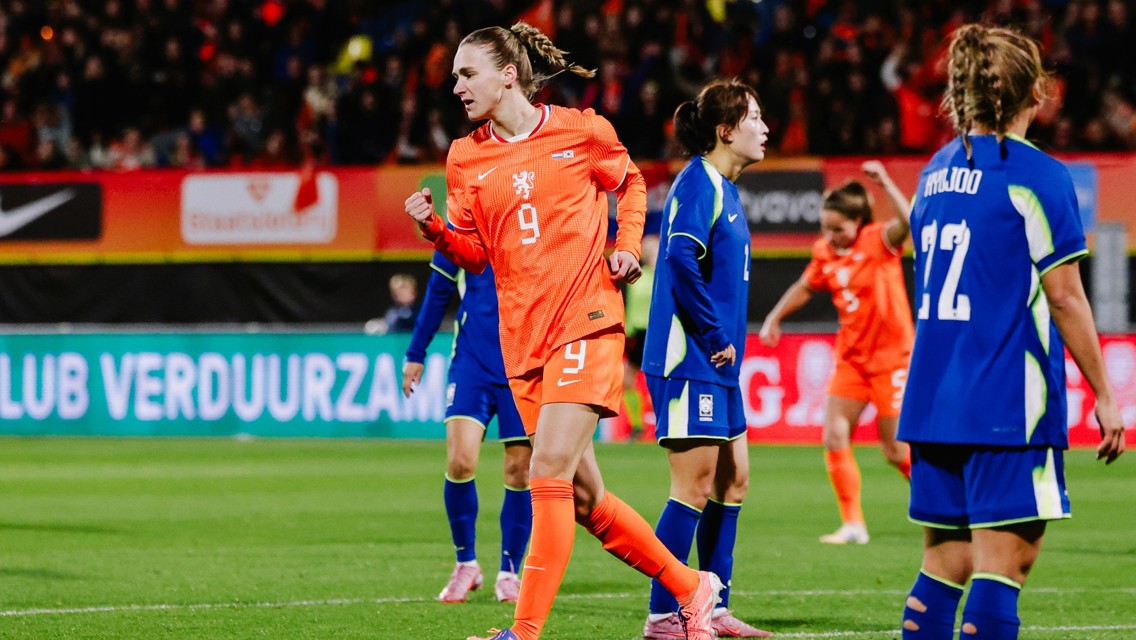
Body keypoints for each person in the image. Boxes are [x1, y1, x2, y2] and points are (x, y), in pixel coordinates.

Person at [403, 21, 722, 640]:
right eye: (454, 77)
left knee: (545, 470)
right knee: (583, 502)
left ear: (507, 74)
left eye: (467, 74)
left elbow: (629, 184)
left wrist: (628, 244)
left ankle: (522, 632)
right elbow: (475, 253)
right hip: (522, 340)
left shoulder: (581, 130)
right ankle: (692, 586)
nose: (457, 87)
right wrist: (436, 230)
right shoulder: (465, 156)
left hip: (586, 319)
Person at [897, 24, 1125, 640]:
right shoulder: (1038, 174)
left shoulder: (935, 171)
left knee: (945, 562)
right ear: (1037, 92)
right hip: (1004, 400)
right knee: (1006, 565)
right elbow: (1066, 296)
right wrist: (1105, 394)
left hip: (932, 400)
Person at [640, 79, 774, 639]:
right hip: (689, 358)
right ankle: (664, 613)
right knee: (691, 487)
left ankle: (712, 605)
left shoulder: (726, 187)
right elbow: (677, 258)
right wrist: (715, 334)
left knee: (733, 480)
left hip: (717, 364)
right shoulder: (698, 184)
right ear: (726, 130)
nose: (765, 128)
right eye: (755, 118)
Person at [759, 160, 915, 545]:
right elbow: (806, 286)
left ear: (857, 222)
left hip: (892, 358)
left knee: (895, 450)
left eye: (839, 229)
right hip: (852, 359)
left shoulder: (879, 240)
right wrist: (774, 317)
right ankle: (853, 525)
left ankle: (944, 501)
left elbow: (910, 222)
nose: (831, 236)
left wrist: (887, 185)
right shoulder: (824, 252)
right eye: (825, 228)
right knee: (834, 434)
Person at [401, 250, 532, 605]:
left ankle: (509, 572)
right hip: (472, 364)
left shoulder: (527, 219)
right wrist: (416, 353)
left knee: (519, 471)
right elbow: (437, 291)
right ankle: (465, 563)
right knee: (460, 461)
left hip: (523, 364)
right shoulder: (463, 226)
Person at [621, 233, 658, 441]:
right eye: (648, 250)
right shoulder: (637, 277)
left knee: (659, 382)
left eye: (655, 250)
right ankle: (637, 426)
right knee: (626, 382)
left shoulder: (666, 275)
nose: (651, 254)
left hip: (656, 335)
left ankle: (667, 422)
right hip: (637, 336)